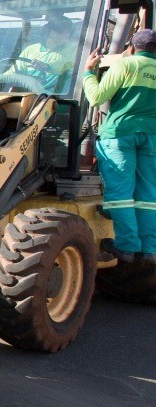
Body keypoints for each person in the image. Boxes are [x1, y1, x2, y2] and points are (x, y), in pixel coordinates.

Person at [82, 27, 156, 264]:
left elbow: (96, 98)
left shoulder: (126, 65)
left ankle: (126, 246)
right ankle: (150, 249)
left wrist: (88, 73)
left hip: (120, 134)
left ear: (133, 48)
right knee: (148, 194)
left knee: (120, 193)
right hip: (152, 136)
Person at [3, 14, 79, 92]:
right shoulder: (31, 49)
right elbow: (12, 73)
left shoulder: (73, 50)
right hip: (27, 93)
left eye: (69, 32)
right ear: (48, 31)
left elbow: (69, 69)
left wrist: (47, 67)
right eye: (60, 31)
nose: (66, 35)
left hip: (53, 96)